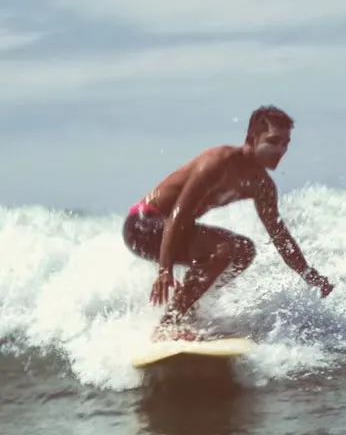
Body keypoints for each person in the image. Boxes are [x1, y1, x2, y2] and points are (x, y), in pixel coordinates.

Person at [122, 105, 334, 339]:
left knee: (244, 251)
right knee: (225, 248)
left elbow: (280, 237)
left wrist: (309, 275)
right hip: (142, 226)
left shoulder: (262, 186)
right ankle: (170, 323)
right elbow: (178, 216)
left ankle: (187, 310)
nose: (280, 150)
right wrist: (164, 270)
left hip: (175, 230)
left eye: (285, 144)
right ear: (251, 139)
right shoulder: (218, 162)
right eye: (273, 141)